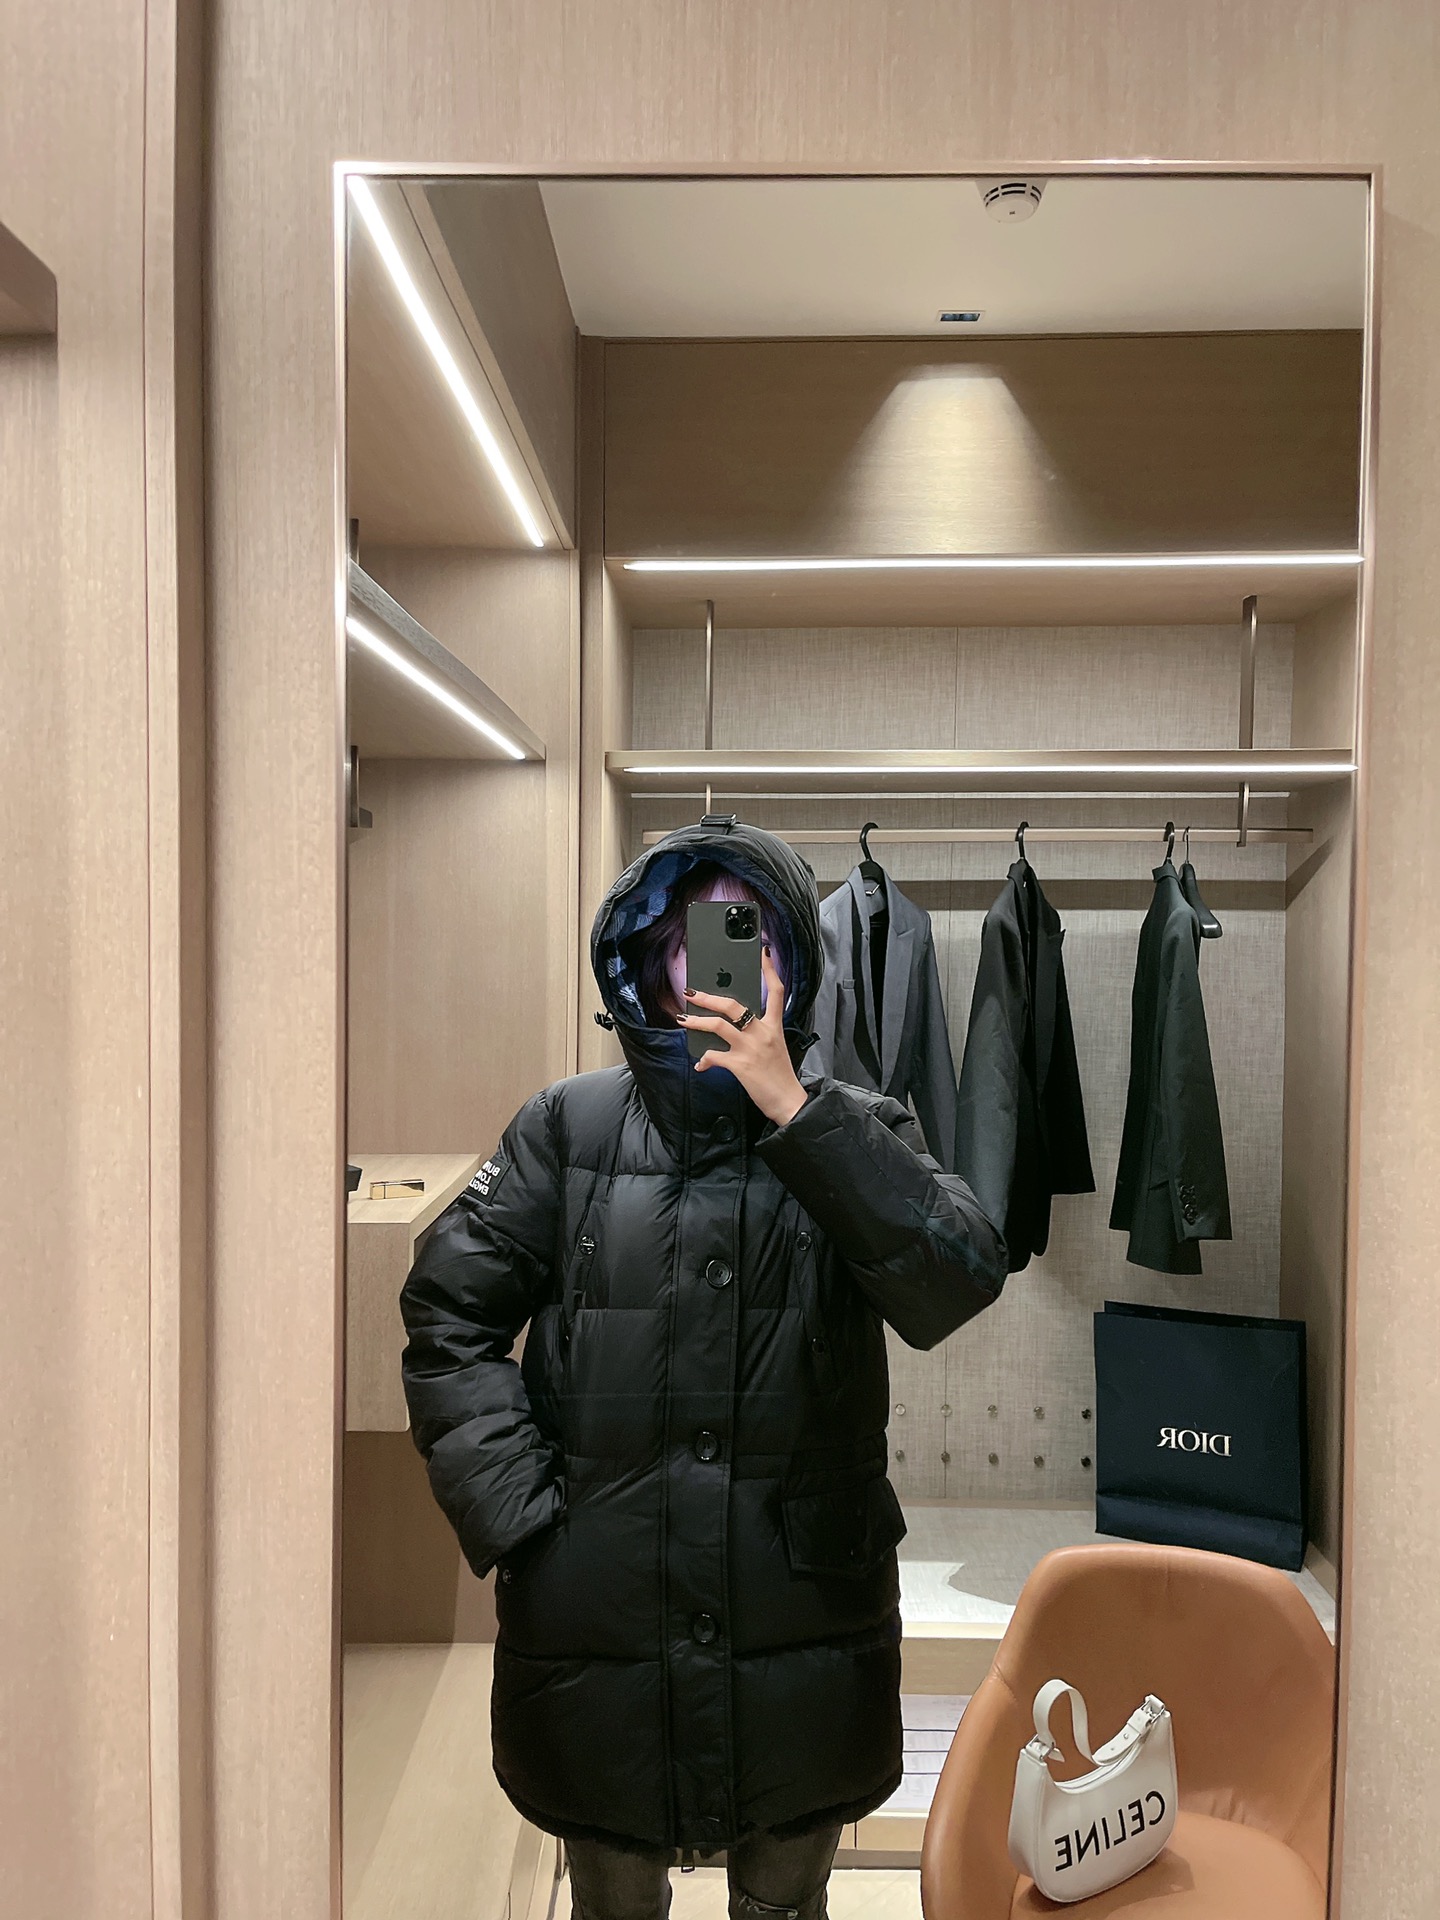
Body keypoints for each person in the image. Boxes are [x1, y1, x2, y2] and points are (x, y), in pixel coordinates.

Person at [400, 821, 1007, 1920]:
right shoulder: (566, 1128)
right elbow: (448, 1316)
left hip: (802, 1621)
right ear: (647, 956)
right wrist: (522, 1517)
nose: (718, 961)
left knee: (785, 1907)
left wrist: (795, 1109)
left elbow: (955, 1281)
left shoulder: (854, 1125)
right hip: (599, 1619)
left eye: (749, 932)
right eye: (693, 933)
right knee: (613, 1907)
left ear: (792, 960)